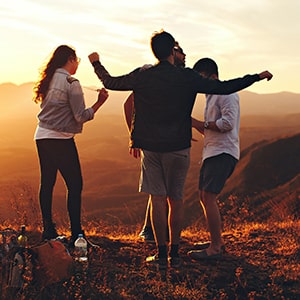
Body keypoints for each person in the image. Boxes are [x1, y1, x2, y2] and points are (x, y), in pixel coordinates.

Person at [88, 30, 273, 269]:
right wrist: (256, 76)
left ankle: (161, 254)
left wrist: (96, 63)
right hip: (179, 146)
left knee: (157, 200)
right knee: (176, 200)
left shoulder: (144, 75)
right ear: (172, 52)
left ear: (154, 51)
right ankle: (175, 254)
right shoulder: (186, 77)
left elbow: (111, 82)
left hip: (152, 148)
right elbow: (226, 87)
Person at [33, 45, 109, 247]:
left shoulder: (49, 79)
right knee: (75, 184)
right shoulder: (71, 82)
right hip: (61, 139)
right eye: (77, 61)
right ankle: (77, 235)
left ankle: (48, 231)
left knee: (47, 183)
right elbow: (80, 116)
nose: (77, 65)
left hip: (41, 135)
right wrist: (99, 102)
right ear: (70, 59)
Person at [123, 41, 186, 243]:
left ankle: (156, 233)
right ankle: (150, 231)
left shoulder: (174, 78)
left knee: (161, 190)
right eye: (180, 51)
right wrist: (134, 136)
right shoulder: (152, 74)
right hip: (153, 141)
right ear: (171, 53)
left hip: (166, 139)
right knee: (158, 191)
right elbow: (128, 103)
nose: (185, 56)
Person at [187, 58, 242, 260]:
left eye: (200, 78)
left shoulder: (225, 93)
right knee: (204, 196)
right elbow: (212, 127)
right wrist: (194, 124)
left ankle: (216, 248)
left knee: (208, 197)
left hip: (223, 152)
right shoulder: (211, 96)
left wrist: (202, 123)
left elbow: (227, 123)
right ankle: (215, 240)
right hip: (213, 152)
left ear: (212, 76)